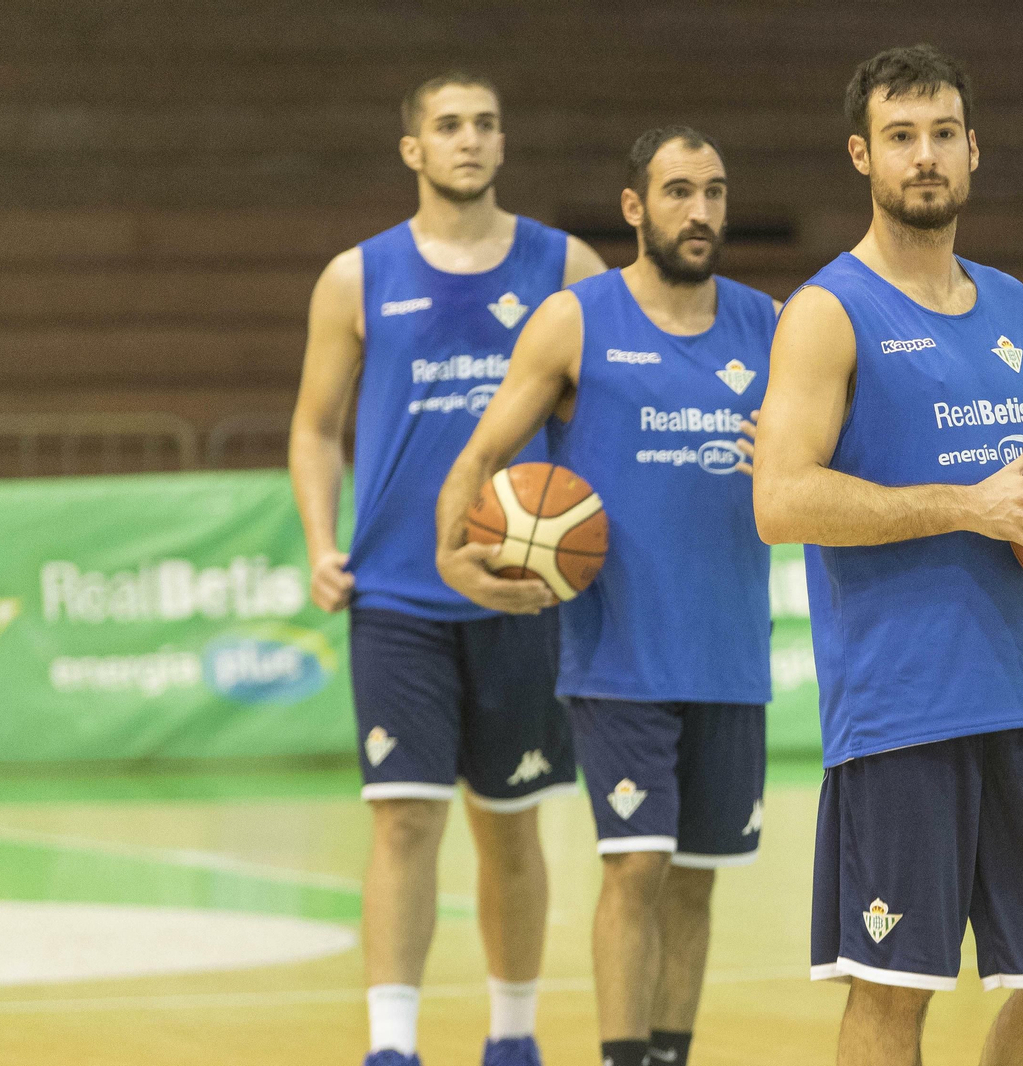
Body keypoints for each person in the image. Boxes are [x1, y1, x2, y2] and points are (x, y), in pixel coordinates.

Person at [752, 45, 1023, 1066]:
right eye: (900, 136)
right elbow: (779, 499)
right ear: (862, 155)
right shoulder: (826, 311)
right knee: (894, 991)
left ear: (974, 150)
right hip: (903, 704)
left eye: (943, 134)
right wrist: (966, 506)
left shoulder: (1010, 303)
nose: (925, 155)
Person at [435, 126, 776, 1066]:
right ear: (634, 207)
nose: (699, 211)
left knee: (697, 880)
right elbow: (481, 453)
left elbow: (828, 460)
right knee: (635, 866)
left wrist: (794, 464)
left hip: (731, 652)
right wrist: (452, 557)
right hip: (618, 655)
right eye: (678, 192)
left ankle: (670, 1055)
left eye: (713, 192)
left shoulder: (773, 327)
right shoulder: (575, 321)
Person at [287, 69, 606, 1066]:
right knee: (402, 823)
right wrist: (320, 543)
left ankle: (512, 1037)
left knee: (510, 827)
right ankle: (392, 1048)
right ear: (413, 149)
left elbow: (610, 414)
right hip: (396, 595)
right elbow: (313, 427)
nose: (469, 139)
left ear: (503, 144)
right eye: (449, 125)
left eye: (485, 124)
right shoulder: (356, 277)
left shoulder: (567, 266)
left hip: (520, 589)